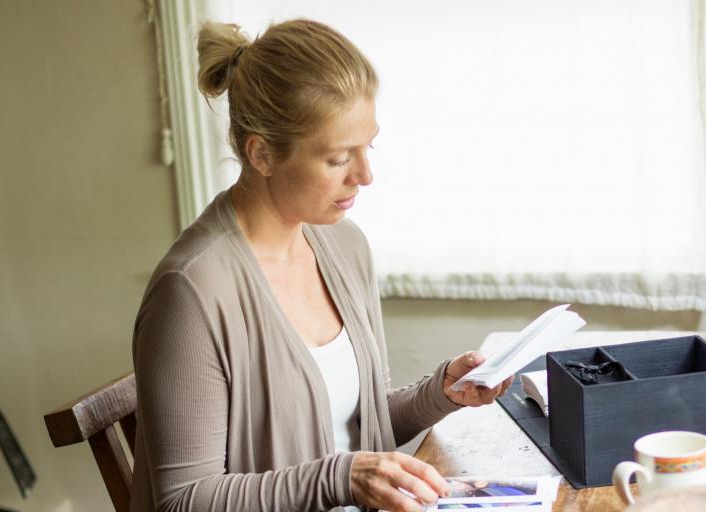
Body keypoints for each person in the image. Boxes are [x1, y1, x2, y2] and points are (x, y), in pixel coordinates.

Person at [130, 19, 513, 512]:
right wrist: (340, 478)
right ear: (262, 154)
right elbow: (182, 501)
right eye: (337, 159)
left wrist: (442, 393)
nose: (365, 175)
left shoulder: (344, 245)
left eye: (367, 147)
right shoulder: (192, 291)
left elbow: (359, 424)